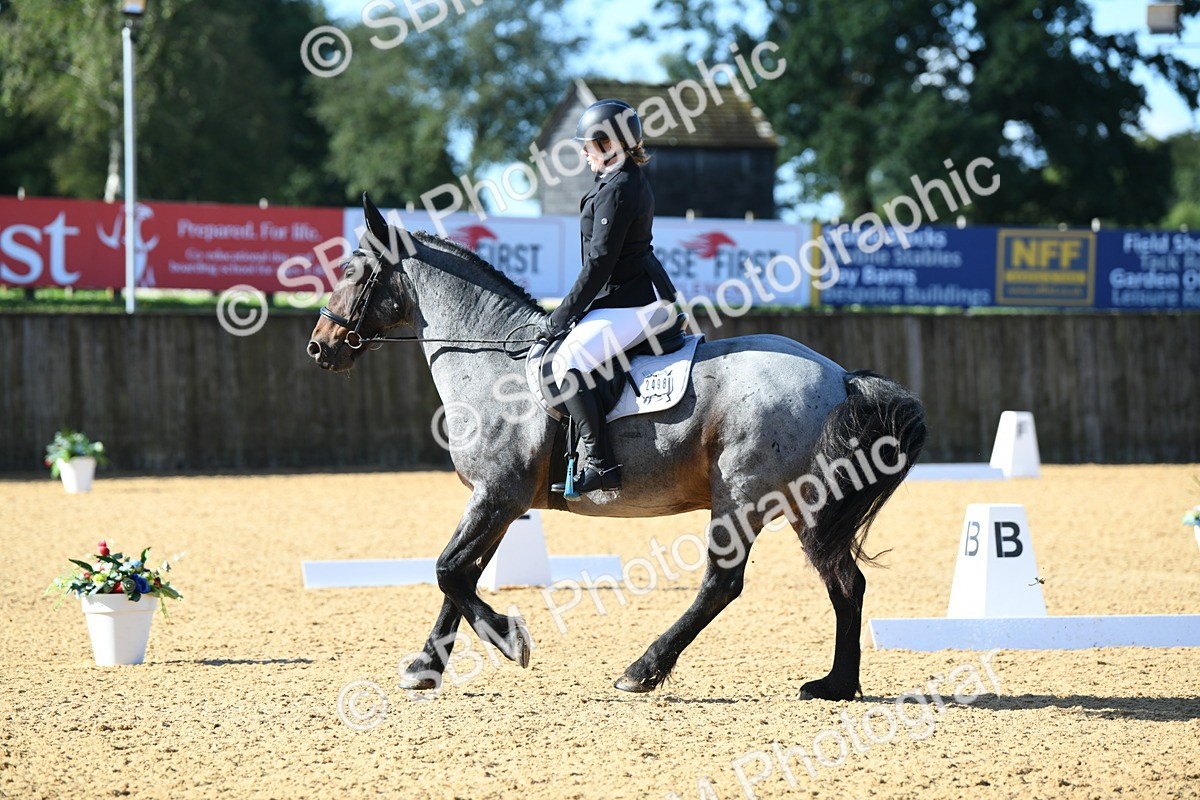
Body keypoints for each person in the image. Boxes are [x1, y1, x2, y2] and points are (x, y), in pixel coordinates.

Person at [535, 99, 678, 496]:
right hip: (627, 297)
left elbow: (599, 262)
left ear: (609, 143)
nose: (583, 152)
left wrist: (560, 316)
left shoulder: (619, 188)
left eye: (588, 144)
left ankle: (599, 463)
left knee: (567, 360)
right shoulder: (620, 178)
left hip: (629, 302)